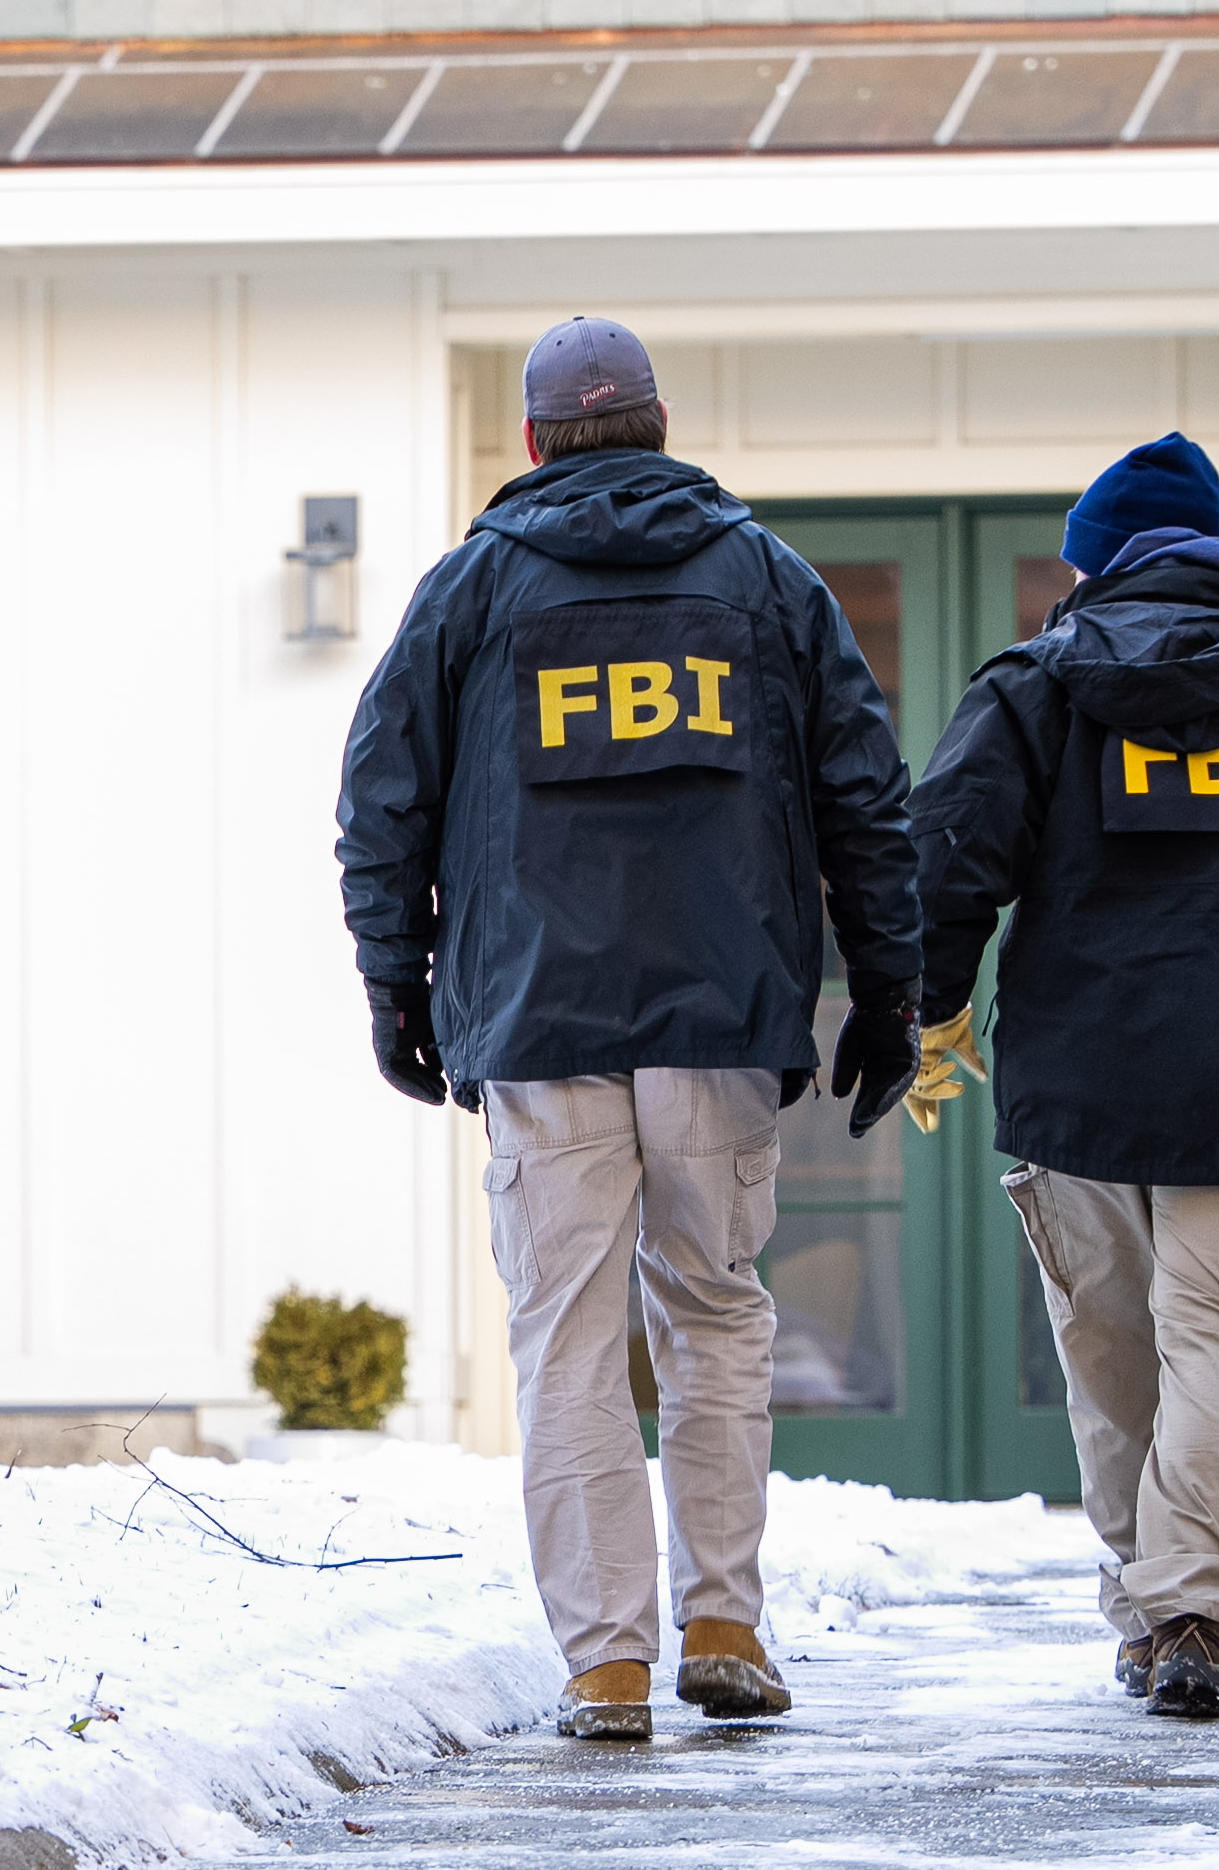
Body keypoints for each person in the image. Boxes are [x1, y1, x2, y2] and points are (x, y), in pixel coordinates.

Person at [336, 317, 919, 1739]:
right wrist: (888, 987)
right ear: (659, 427)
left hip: (540, 1021)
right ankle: (723, 1623)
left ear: (535, 442)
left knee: (570, 1336)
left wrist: (395, 986)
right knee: (714, 1313)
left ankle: (606, 1662)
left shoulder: (473, 588)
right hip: (722, 1012)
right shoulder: (766, 578)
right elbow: (863, 791)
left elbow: (383, 797)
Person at [907, 431, 1219, 1722]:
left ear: (1094, 564)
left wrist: (931, 1010)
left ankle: (1153, 1608)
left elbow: (947, 856)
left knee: (1114, 1361)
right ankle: (1184, 1606)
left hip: (1081, 1087)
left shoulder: (1037, 686)